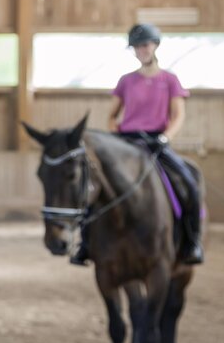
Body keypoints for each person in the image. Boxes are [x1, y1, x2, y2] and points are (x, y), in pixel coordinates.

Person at [71, 23, 204, 266]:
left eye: (144, 45)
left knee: (189, 181)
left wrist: (165, 138)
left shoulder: (170, 80)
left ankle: (192, 242)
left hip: (156, 141)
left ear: (154, 46)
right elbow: (112, 116)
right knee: (94, 185)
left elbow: (178, 115)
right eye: (136, 47)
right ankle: (85, 243)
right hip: (127, 141)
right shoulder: (126, 81)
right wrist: (116, 136)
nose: (141, 50)